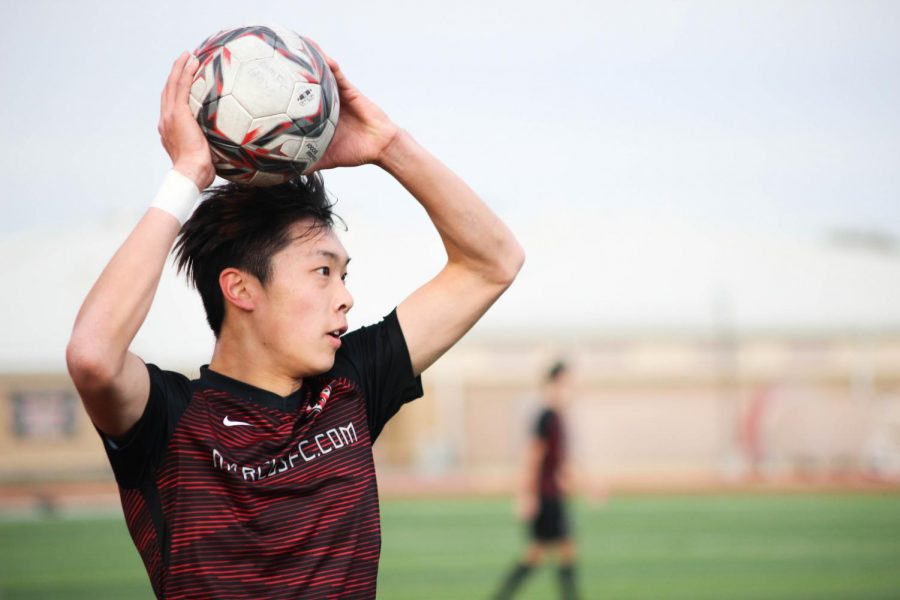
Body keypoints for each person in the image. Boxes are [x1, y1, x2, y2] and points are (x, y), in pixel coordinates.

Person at [66, 48, 524, 599]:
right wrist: (187, 175)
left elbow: (493, 262)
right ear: (240, 289)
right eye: (323, 272)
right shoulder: (170, 421)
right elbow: (93, 355)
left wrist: (388, 147)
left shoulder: (351, 386)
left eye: (344, 274)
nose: (347, 298)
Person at [493, 361, 579, 600]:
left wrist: (580, 484)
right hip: (545, 495)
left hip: (553, 494)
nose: (569, 390)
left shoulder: (557, 418)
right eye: (565, 384)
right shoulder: (545, 417)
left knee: (559, 551)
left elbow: (560, 462)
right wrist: (526, 495)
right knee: (539, 553)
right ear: (552, 385)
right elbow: (532, 457)